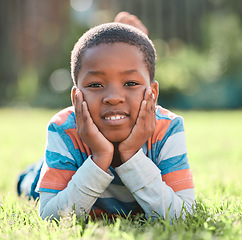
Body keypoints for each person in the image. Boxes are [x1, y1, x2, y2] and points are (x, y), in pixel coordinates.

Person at [17, 13, 195, 221]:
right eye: (95, 85)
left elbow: (183, 215)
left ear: (153, 94)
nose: (113, 98)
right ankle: (34, 171)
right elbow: (51, 217)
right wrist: (99, 158)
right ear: (76, 97)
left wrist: (130, 154)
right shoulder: (63, 129)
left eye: (130, 83)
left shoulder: (167, 128)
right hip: (64, 167)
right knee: (31, 182)